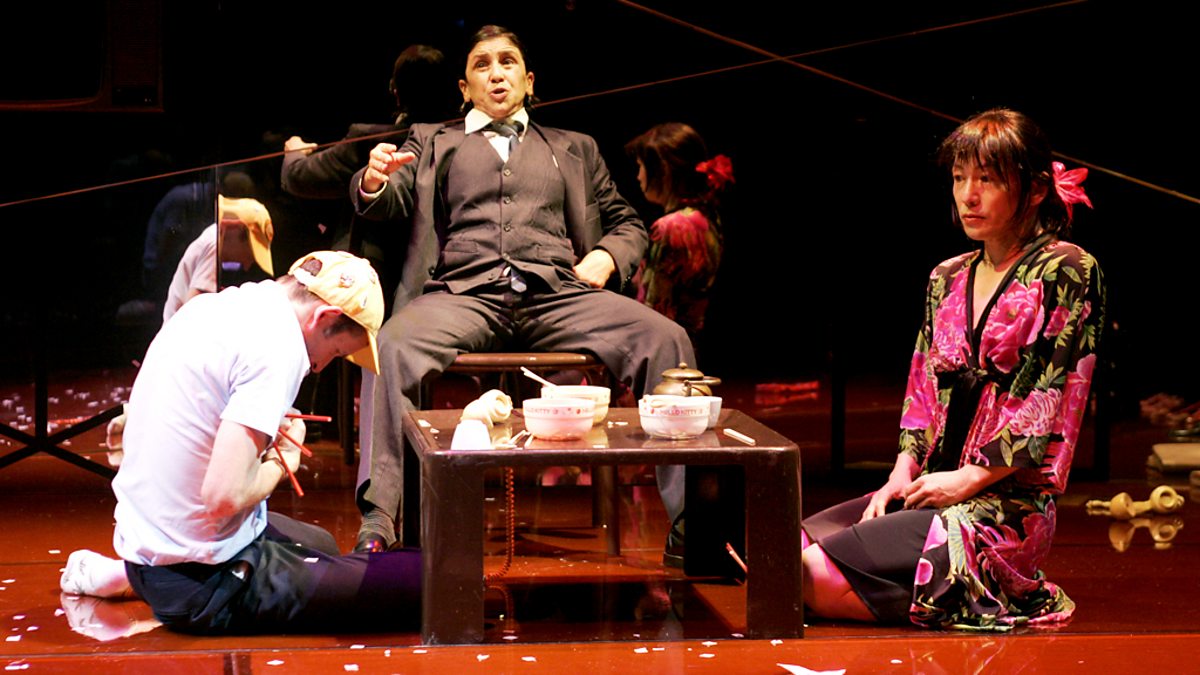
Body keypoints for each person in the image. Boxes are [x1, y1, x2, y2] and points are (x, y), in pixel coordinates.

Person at [349, 25, 695, 554]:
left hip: (558, 294)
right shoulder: (432, 140)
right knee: (390, 347)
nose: (496, 73)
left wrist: (606, 255)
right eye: (482, 64)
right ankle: (380, 517)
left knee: (666, 340)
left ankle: (691, 521)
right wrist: (374, 179)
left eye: (507, 62)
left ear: (529, 81)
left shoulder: (574, 148)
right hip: (463, 294)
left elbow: (627, 222)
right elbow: (390, 195)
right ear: (464, 88)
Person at [800, 108, 1105, 630]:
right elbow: (922, 387)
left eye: (987, 180)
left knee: (812, 576)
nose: (968, 195)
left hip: (1001, 504)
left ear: (1035, 189)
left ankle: (977, 588)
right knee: (779, 554)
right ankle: (931, 587)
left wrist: (967, 480)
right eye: (960, 178)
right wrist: (901, 472)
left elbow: (1047, 398)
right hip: (933, 486)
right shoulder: (947, 276)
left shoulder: (1067, 269)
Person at [59, 251, 421, 635]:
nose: (319, 366)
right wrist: (283, 463)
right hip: (203, 585)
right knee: (421, 579)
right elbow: (223, 498)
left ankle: (128, 577)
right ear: (324, 317)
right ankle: (157, 590)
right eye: (334, 352)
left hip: (147, 551)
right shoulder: (278, 348)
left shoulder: (222, 306)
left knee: (321, 545)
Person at [625, 122, 732, 347]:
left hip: (664, 348)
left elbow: (654, 310)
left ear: (662, 170)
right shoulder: (707, 216)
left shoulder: (672, 227)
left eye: (641, 167)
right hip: (690, 344)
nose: (638, 177)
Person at [162, 194, 275, 322]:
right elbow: (194, 311)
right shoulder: (214, 244)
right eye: (251, 254)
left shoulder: (213, 235)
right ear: (237, 229)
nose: (247, 265)